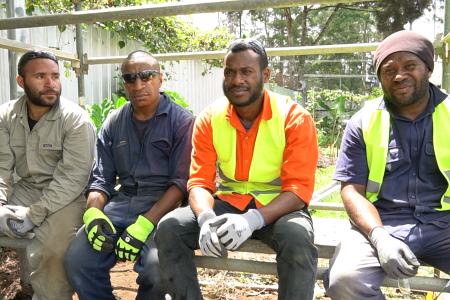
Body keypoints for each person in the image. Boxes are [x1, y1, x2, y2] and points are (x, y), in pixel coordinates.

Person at [154, 38, 319, 300]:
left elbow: (298, 190)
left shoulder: (294, 117)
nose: (236, 80)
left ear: (265, 75)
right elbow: (198, 181)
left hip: (278, 208)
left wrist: (253, 219)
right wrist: (206, 217)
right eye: (229, 72)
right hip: (228, 204)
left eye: (246, 71)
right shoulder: (209, 118)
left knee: (297, 238)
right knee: (169, 227)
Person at [324, 30, 450, 299]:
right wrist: (379, 237)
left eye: (409, 66)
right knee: (344, 281)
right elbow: (351, 190)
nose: (399, 76)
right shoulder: (363, 121)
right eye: (388, 70)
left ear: (428, 69)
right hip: (380, 225)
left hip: (445, 225)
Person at [64, 50, 195, 300]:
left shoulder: (182, 122)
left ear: (160, 78)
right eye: (130, 78)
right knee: (78, 261)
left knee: (157, 272)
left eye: (146, 76)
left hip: (164, 209)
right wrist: (93, 213)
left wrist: (147, 223)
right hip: (121, 204)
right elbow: (101, 178)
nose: (138, 84)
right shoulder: (114, 122)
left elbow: (181, 184)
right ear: (124, 82)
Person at [0, 50, 96, 299]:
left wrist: (33, 215)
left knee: (54, 249)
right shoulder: (6, 116)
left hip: (67, 196)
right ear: (21, 82)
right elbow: (2, 168)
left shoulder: (76, 120)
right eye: (40, 76)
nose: (50, 83)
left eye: (55, 76)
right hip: (25, 189)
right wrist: (0, 206)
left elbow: (73, 178)